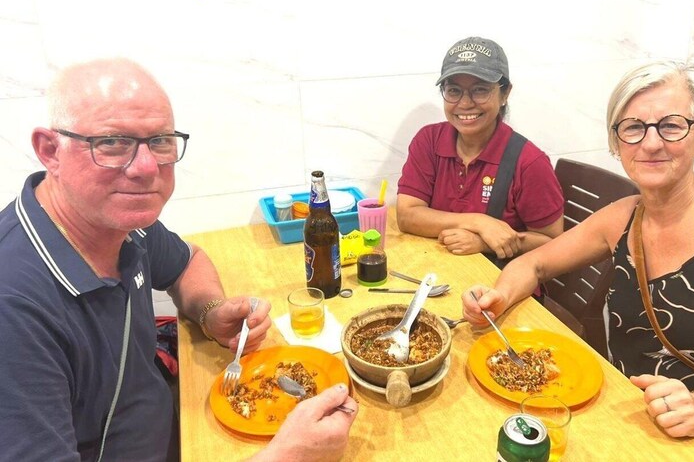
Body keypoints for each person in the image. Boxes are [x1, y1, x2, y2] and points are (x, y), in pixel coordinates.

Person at [0, 59, 357, 462]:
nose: (146, 167)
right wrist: (287, 456)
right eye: (112, 143)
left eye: (160, 141)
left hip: (175, 425)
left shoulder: (120, 222)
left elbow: (188, 263)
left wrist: (211, 311)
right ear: (51, 151)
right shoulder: (14, 306)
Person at [462, 61, 694, 460]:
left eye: (671, 125)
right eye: (633, 127)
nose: (650, 143)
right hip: (627, 424)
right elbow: (535, 265)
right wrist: (497, 297)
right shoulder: (625, 216)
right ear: (616, 141)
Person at [397, 36, 564, 264]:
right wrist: (479, 222)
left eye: (480, 90)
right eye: (454, 91)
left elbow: (554, 244)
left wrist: (485, 243)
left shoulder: (528, 162)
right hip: (439, 269)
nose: (465, 104)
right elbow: (407, 215)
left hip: (502, 284)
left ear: (505, 94)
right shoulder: (429, 140)